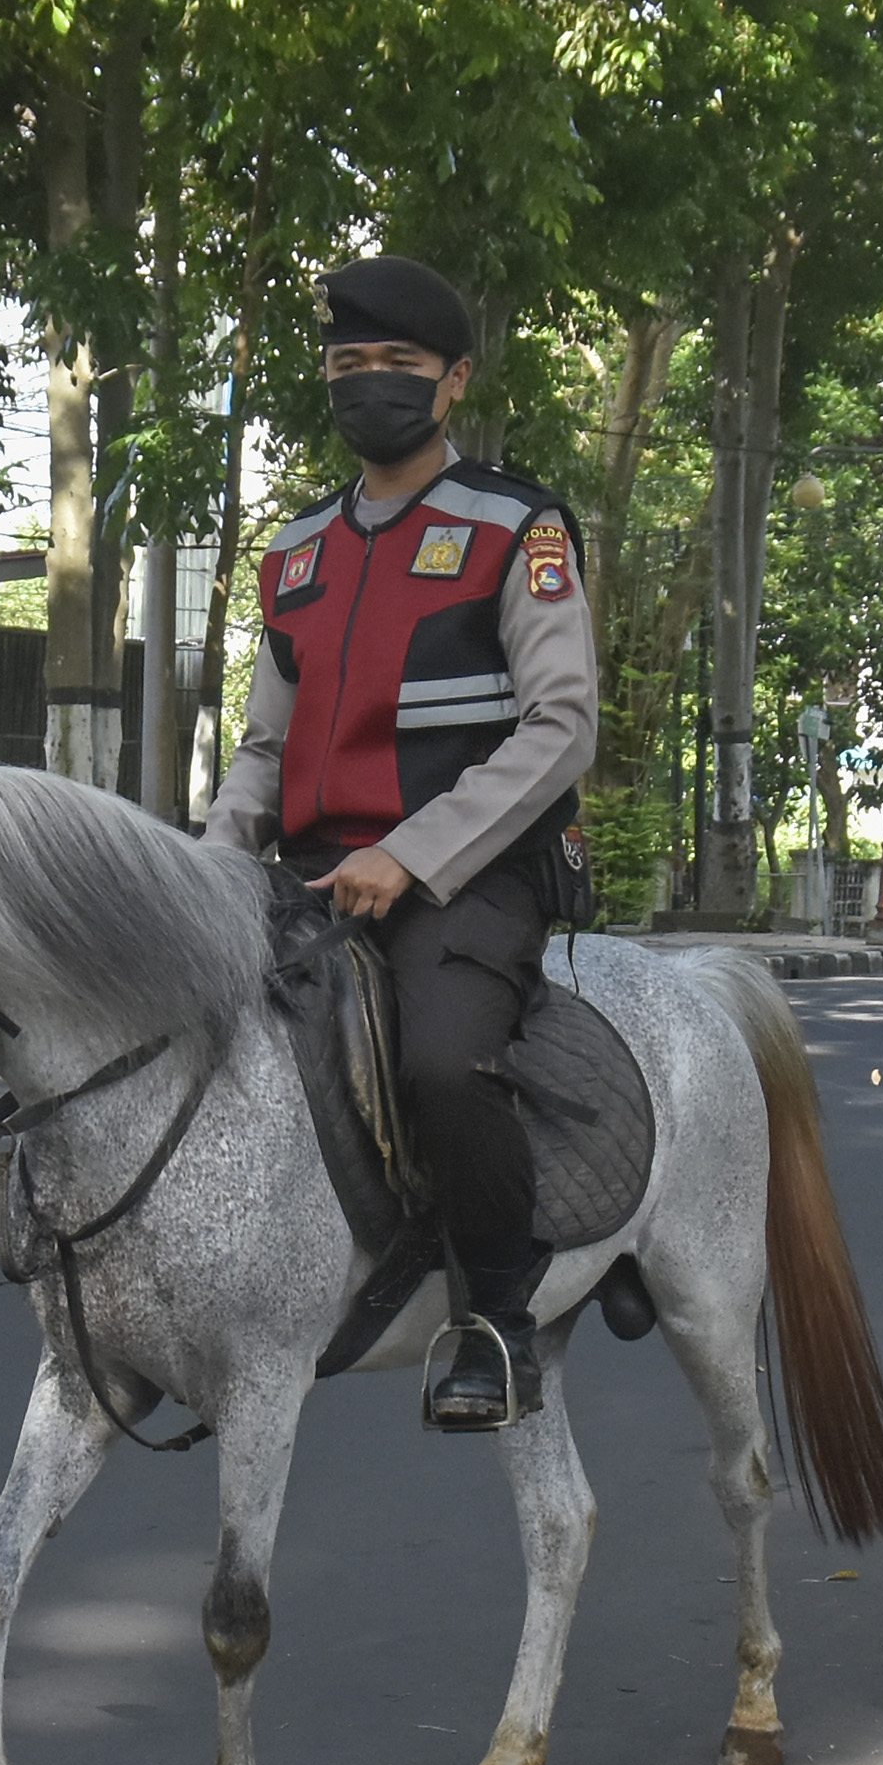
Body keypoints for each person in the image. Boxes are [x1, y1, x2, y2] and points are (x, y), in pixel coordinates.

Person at [203, 253, 599, 1431]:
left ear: (453, 382)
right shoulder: (294, 553)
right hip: (309, 874)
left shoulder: (514, 528)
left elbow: (561, 724)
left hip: (470, 877)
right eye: (347, 365)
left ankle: (494, 1317)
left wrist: (413, 856)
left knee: (438, 1063)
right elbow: (264, 749)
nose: (369, 384)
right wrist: (212, 863)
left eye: (397, 366)